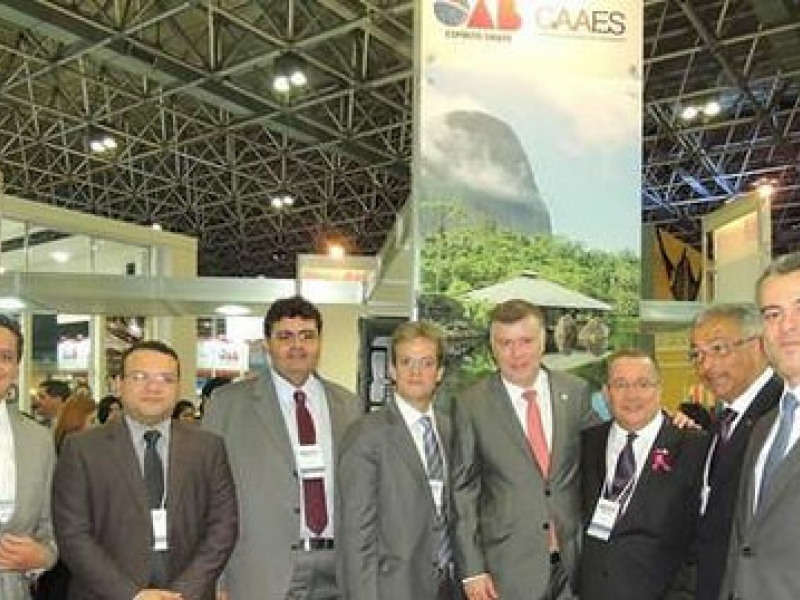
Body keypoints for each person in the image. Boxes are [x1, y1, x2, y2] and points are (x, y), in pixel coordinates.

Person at [53, 340, 238, 600]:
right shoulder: (82, 449)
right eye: (140, 377)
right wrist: (132, 595)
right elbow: (72, 534)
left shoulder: (208, 448)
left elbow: (222, 528)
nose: (154, 387)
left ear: (178, 387)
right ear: (119, 384)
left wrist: (182, 593)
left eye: (166, 379)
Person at [204, 295, 360, 600]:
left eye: (307, 336)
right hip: (260, 569)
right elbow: (209, 495)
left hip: (339, 567)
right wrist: (217, 577)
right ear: (267, 344)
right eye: (285, 337)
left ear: (319, 342)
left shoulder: (348, 406)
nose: (297, 346)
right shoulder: (227, 406)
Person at [452, 299, 594, 600]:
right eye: (505, 344)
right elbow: (463, 493)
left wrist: (669, 424)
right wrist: (472, 570)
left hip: (573, 568)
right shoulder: (471, 405)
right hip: (506, 573)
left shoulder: (576, 392)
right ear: (493, 348)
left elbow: (609, 450)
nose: (516, 354)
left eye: (525, 341)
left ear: (544, 341)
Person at [338, 321, 463, 600]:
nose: (416, 372)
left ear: (439, 372)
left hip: (449, 586)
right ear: (392, 370)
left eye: (426, 363)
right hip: (393, 589)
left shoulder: (452, 431)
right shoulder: (365, 435)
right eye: (407, 362)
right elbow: (356, 537)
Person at [578, 349, 708, 600]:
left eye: (643, 384)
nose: (632, 395)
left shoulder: (694, 447)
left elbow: (706, 538)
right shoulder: (586, 443)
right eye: (621, 384)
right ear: (606, 393)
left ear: (659, 389)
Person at [687, 303, 782, 600]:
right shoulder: (723, 420)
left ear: (758, 345)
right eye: (697, 355)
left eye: (718, 349)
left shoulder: (781, 412)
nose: (705, 366)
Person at [722, 252, 800, 599]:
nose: (787, 326)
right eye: (773, 314)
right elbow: (744, 545)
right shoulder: (763, 428)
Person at [0, 315, 58, 600]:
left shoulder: (38, 440)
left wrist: (41, 556)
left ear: (16, 368)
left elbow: (49, 530)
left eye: (6, 357)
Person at [34, 395, 97, 600]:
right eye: (93, 420)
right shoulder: (63, 461)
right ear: (76, 422)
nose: (99, 427)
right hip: (65, 563)